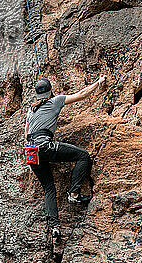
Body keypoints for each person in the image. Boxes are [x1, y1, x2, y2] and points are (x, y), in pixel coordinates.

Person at [25, 75, 107, 241]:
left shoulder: (30, 110)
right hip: (45, 146)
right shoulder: (55, 101)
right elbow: (82, 94)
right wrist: (98, 83)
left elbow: (26, 134)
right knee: (83, 156)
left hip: (31, 152)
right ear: (50, 91)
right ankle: (74, 194)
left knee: (48, 188)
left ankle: (54, 227)